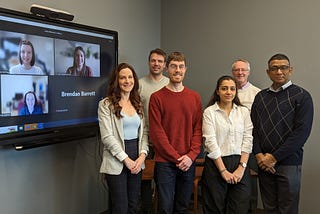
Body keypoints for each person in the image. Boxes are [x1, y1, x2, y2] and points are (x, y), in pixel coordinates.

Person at [251, 53, 314, 214]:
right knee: (269, 208)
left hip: (289, 164)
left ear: (290, 70)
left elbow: (301, 133)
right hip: (264, 163)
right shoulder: (260, 97)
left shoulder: (302, 96)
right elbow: (253, 129)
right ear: (268, 72)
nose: (279, 71)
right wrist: (259, 156)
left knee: (288, 209)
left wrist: (274, 158)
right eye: (274, 68)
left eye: (283, 67)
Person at [149, 51, 203, 213]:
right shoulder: (156, 97)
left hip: (188, 161)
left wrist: (191, 156)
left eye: (181, 67)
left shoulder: (194, 97)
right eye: (173, 66)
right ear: (166, 69)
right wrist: (176, 157)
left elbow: (198, 130)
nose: (177, 70)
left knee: (182, 206)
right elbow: (157, 133)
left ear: (186, 69)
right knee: (165, 208)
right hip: (165, 162)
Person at [98, 63, 149, 214]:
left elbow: (144, 132)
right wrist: (126, 159)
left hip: (137, 156)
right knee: (120, 207)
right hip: (117, 159)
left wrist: (142, 156)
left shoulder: (138, 103)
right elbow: (107, 137)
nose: (127, 81)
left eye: (130, 77)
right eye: (122, 78)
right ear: (116, 81)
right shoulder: (105, 105)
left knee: (133, 205)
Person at [201, 75, 253, 213]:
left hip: (240, 163)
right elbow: (210, 142)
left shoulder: (243, 112)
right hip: (216, 163)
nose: (228, 92)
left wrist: (241, 168)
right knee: (215, 208)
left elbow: (248, 139)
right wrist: (223, 170)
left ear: (236, 91)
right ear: (217, 91)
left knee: (239, 208)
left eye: (232, 89)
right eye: (224, 88)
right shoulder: (209, 112)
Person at [138, 48, 169, 213]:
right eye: (153, 60)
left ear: (165, 65)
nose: (156, 64)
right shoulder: (140, 85)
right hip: (145, 140)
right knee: (144, 181)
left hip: (165, 143)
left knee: (164, 182)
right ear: (149, 62)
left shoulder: (170, 84)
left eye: (160, 61)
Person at [231, 59, 260, 212]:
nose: (240, 73)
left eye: (243, 70)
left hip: (250, 146)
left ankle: (252, 209)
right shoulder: (227, 90)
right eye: (237, 70)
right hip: (230, 147)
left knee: (250, 182)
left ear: (248, 72)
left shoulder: (257, 93)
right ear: (232, 73)